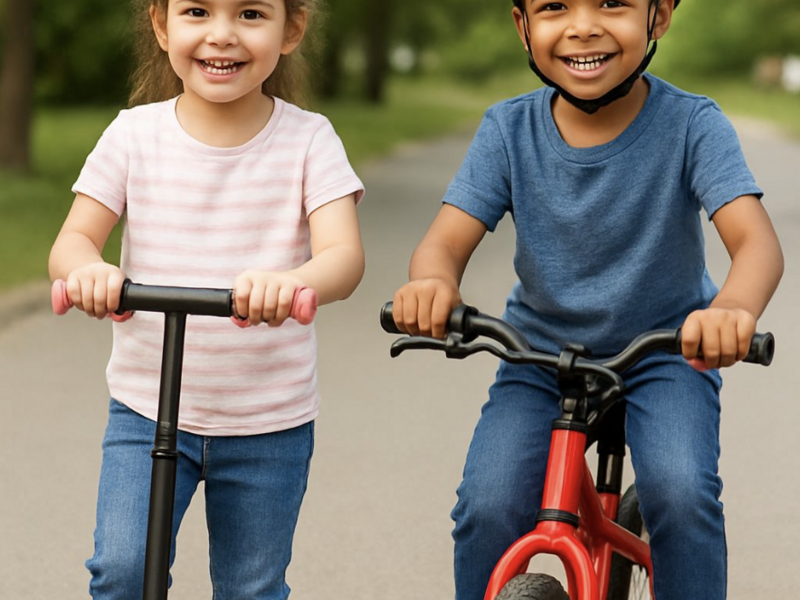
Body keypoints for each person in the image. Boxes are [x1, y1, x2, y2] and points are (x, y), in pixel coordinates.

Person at [390, 1, 783, 599]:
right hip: (539, 354)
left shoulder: (692, 124)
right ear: (522, 26)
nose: (583, 25)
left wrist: (732, 308)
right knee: (487, 505)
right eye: (554, 7)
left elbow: (756, 243)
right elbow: (443, 242)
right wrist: (433, 283)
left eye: (612, 3)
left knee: (681, 494)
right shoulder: (508, 129)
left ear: (660, 16)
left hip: (669, 349)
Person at [48, 0, 365, 598]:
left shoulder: (308, 140)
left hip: (270, 419)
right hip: (147, 409)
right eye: (197, 11)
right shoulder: (133, 134)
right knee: (122, 571)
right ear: (162, 25)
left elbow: (344, 259)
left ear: (291, 29)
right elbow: (73, 240)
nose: (222, 35)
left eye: (250, 13)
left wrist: (296, 280)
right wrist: (88, 269)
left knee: (251, 586)